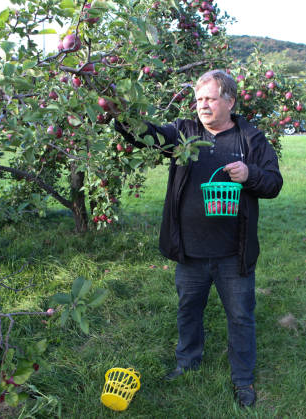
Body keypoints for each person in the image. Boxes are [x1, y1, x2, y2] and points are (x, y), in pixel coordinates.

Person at [115, 69, 283, 408]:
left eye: (209, 98)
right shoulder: (183, 132)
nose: (202, 105)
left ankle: (242, 380)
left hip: (233, 253)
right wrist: (119, 113)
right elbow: (147, 136)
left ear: (230, 101)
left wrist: (250, 174)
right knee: (188, 309)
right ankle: (187, 362)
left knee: (240, 315)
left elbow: (274, 183)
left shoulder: (250, 139)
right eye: (198, 99)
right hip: (190, 249)